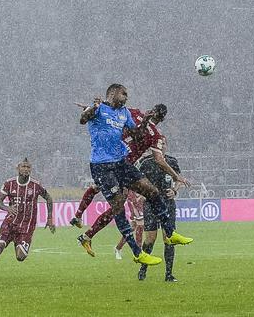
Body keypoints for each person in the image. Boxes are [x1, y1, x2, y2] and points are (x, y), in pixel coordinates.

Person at [76, 85, 192, 266]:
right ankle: (136, 252)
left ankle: (170, 233)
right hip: (102, 166)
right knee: (117, 207)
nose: (127, 97)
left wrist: (144, 122)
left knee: (151, 191)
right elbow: (83, 120)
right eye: (124, 94)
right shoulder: (102, 109)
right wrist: (92, 109)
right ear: (113, 94)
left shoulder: (126, 113)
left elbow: (137, 135)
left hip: (122, 162)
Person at [0, 157, 54, 283]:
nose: (26, 169)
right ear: (18, 168)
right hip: (10, 223)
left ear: (31, 169)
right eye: (23, 166)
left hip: (26, 227)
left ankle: (18, 242)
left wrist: (50, 217)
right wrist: (7, 208)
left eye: (28, 167)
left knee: (20, 257)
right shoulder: (9, 183)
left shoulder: (36, 185)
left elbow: (49, 198)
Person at [136, 149, 183, 282]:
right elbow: (136, 179)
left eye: (163, 144)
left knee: (169, 238)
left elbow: (178, 179)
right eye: (159, 144)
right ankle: (143, 268)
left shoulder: (172, 161)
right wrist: (142, 192)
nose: (161, 147)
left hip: (168, 203)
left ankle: (169, 274)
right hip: (151, 203)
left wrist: (174, 190)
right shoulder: (145, 162)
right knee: (150, 238)